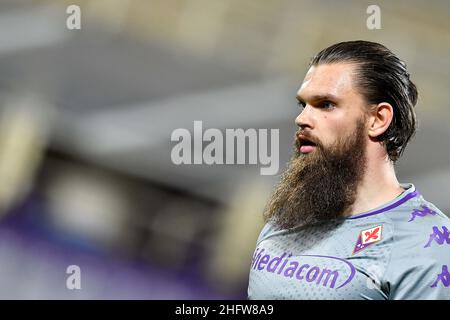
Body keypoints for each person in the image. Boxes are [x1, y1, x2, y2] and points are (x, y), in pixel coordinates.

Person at [247, 40, 450, 299]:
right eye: (304, 105)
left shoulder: (426, 243)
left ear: (378, 120)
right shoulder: (286, 219)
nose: (302, 119)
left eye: (326, 104)